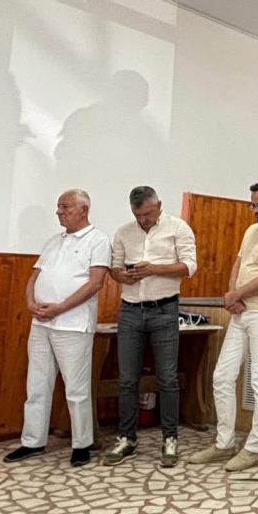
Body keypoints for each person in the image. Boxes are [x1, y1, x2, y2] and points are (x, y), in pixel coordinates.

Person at [190, 181, 258, 472]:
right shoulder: (251, 230)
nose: (255, 210)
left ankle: (254, 448)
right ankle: (224, 443)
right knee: (222, 376)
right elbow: (238, 265)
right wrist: (232, 295)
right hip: (241, 312)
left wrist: (238, 294)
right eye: (253, 205)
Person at [4, 189, 110, 468]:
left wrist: (60, 308)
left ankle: (82, 444)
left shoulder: (98, 240)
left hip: (73, 326)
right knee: (37, 384)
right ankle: (32, 441)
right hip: (41, 323)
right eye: (58, 207)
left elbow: (95, 283)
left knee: (76, 388)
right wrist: (30, 303)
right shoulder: (53, 241)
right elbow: (34, 277)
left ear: (83, 210)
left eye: (65, 207)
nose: (59, 212)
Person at [103, 186, 197, 468]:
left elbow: (189, 267)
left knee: (167, 378)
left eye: (147, 213)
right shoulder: (124, 232)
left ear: (158, 205)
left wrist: (154, 269)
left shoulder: (178, 228)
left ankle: (170, 439)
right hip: (130, 310)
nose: (143, 219)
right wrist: (123, 276)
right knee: (127, 378)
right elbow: (114, 268)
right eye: (138, 215)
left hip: (164, 310)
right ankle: (126, 438)